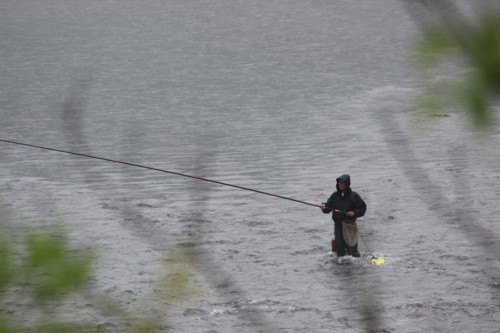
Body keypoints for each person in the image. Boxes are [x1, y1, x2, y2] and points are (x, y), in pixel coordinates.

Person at [320, 174, 366, 257]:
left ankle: (354, 265)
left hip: (350, 225)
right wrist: (323, 208)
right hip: (338, 225)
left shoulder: (354, 196)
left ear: (347, 183)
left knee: (352, 250)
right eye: (339, 182)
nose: (340, 184)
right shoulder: (334, 195)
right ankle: (341, 265)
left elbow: (363, 208)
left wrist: (354, 212)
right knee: (340, 250)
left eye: (342, 182)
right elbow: (328, 208)